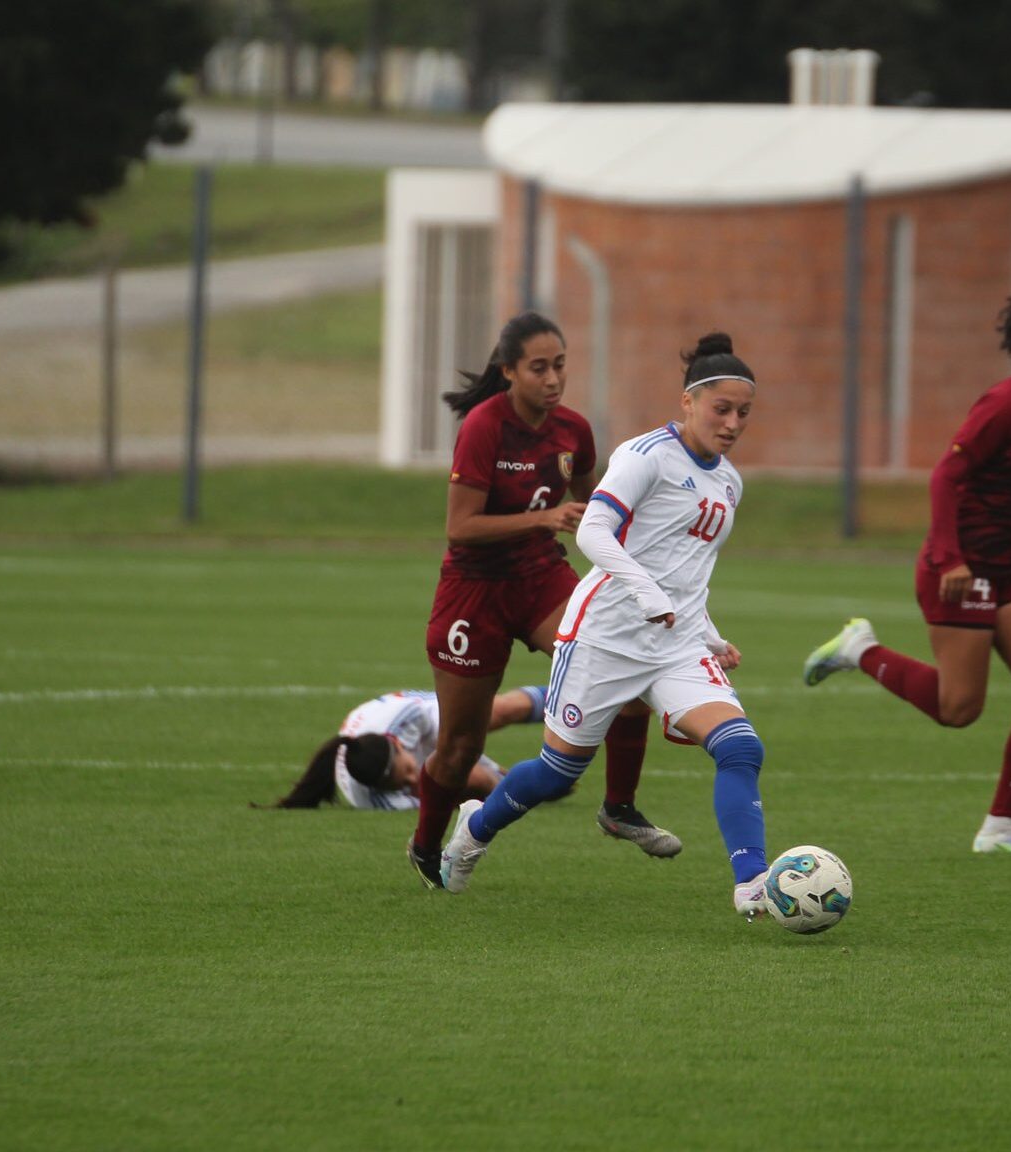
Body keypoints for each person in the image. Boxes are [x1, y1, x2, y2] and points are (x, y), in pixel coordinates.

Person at [800, 269, 1011, 857]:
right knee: (959, 710)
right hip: (960, 567)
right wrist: (952, 558)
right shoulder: (1005, 405)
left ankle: (1001, 827)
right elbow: (946, 475)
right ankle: (861, 649)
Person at [437, 333, 774, 918]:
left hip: (672, 647)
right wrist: (645, 593)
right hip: (604, 638)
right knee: (554, 773)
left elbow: (686, 571)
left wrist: (711, 637)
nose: (733, 422)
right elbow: (594, 533)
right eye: (722, 408)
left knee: (740, 748)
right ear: (688, 401)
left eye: (744, 412)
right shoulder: (645, 456)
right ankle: (473, 829)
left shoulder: (729, 482)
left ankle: (753, 883)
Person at [409, 312, 678, 887]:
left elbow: (600, 508)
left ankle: (618, 806)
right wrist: (546, 516)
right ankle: (427, 845)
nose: (553, 378)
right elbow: (461, 528)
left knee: (625, 658)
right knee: (460, 748)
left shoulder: (573, 431)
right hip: (473, 592)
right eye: (539, 368)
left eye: (559, 365)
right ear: (509, 371)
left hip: (538, 579)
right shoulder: (484, 426)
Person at [252, 686, 547, 810]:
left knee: (498, 711)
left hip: (422, 719)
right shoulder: (373, 799)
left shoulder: (405, 721)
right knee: (478, 783)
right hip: (412, 743)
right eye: (401, 784)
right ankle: (526, 784)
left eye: (407, 770)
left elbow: (452, 733)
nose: (411, 779)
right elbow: (439, 801)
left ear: (397, 745)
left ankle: (571, 699)